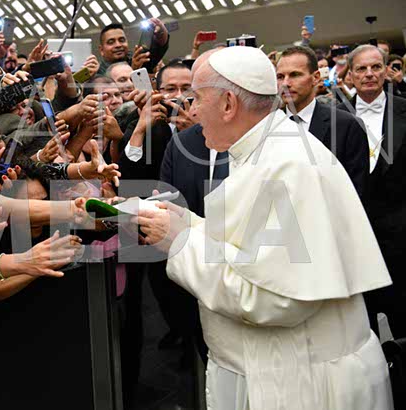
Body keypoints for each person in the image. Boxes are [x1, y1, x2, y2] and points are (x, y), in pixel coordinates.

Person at [136, 46, 393, 409]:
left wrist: (180, 242)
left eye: (197, 98)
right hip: (279, 370)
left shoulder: (284, 166)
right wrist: (187, 224)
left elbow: (272, 299)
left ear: (228, 104)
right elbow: (250, 250)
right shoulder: (268, 150)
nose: (191, 111)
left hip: (300, 383)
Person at [337, 44, 406, 338]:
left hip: (401, 237)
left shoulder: (404, 108)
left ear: (386, 71)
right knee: (362, 329)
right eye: (361, 69)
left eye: (376, 67)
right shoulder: (334, 117)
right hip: (356, 238)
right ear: (350, 75)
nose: (369, 74)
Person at [276, 46, 369, 197]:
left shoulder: (347, 126)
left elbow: (356, 191)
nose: (285, 83)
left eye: (295, 75)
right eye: (280, 77)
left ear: (316, 77)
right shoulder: (266, 126)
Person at [97, 21, 169, 76]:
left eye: (122, 40)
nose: (118, 45)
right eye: (111, 42)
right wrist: (133, 71)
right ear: (101, 50)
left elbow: (159, 48)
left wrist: (161, 30)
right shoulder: (97, 72)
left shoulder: (138, 60)